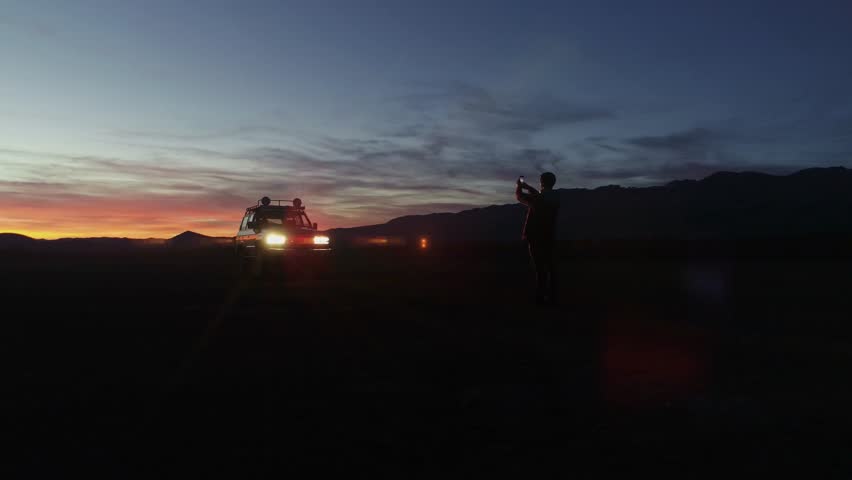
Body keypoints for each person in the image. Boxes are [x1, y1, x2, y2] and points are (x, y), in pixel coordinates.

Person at [516, 172, 560, 305]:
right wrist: (529, 188)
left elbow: (520, 197)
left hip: (536, 237)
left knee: (540, 269)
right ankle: (552, 297)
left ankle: (541, 298)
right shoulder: (555, 198)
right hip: (549, 236)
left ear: (542, 182)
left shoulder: (538, 199)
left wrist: (520, 186)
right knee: (550, 268)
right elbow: (539, 197)